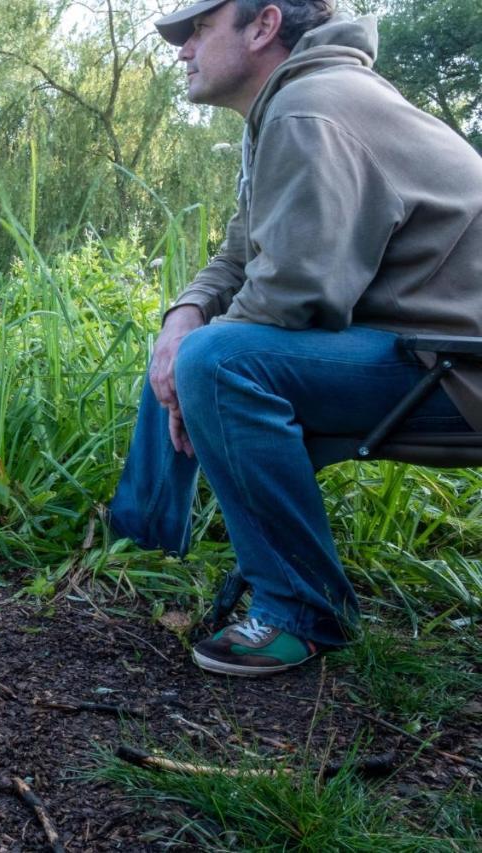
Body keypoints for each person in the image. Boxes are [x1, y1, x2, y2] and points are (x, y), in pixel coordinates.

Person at [109, 0, 482, 676]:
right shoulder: (290, 105)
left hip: (458, 369)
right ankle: (141, 541)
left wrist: (196, 355)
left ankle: (301, 611)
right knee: (190, 345)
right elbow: (239, 253)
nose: (180, 50)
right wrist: (183, 313)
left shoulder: (309, 109)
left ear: (263, 25)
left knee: (217, 363)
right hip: (420, 354)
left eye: (197, 30)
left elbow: (295, 296)